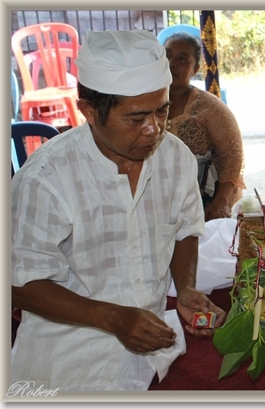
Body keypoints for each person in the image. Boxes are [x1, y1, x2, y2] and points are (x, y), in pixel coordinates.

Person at [10, 30, 226, 391]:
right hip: (68, 353)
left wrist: (185, 287)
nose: (153, 129)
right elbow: (19, 282)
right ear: (90, 111)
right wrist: (111, 317)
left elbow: (184, 228)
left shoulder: (176, 158)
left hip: (153, 342)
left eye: (162, 110)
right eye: (136, 117)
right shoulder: (44, 180)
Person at [163, 32, 245, 221]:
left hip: (203, 201)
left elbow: (233, 155)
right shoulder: (145, 102)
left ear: (195, 69)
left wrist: (221, 200)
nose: (171, 63)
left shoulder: (210, 108)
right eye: (167, 55)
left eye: (182, 59)